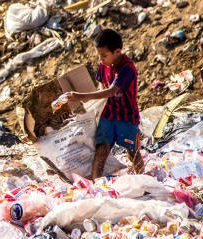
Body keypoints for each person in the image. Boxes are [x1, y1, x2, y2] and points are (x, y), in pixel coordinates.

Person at [57, 28, 144, 179]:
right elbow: (101, 87)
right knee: (101, 150)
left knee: (133, 152)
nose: (101, 60)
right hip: (108, 113)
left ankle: (144, 180)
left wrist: (79, 96)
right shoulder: (103, 65)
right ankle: (96, 184)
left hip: (126, 115)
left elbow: (110, 91)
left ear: (117, 52)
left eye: (104, 55)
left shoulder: (127, 68)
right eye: (99, 56)